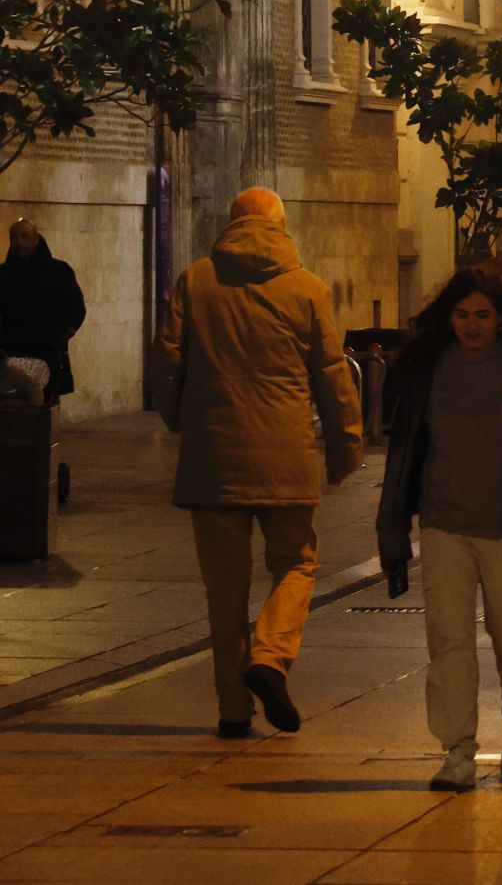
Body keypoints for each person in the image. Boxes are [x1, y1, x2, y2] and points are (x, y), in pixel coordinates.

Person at [149, 188, 363, 739]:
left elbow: (167, 361)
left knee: (224, 589)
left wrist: (181, 422)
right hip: (286, 456)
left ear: (232, 223)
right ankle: (270, 656)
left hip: (214, 460)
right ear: (280, 227)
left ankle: (233, 710)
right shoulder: (308, 290)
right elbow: (333, 376)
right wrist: (345, 447)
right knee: (296, 563)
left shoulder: (196, 282)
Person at [376, 270, 502, 791]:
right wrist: (394, 526)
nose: (472, 325)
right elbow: (403, 453)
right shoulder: (427, 367)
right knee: (449, 644)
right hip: (445, 523)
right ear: (448, 318)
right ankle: (458, 750)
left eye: (483, 315)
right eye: (462, 314)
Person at [0, 218, 87, 405]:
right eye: (14, 237)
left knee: (45, 407)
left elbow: (76, 308)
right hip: (10, 351)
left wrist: (61, 336)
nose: (19, 242)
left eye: (25, 236)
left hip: (47, 351)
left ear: (36, 238)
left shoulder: (59, 272)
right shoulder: (3, 275)